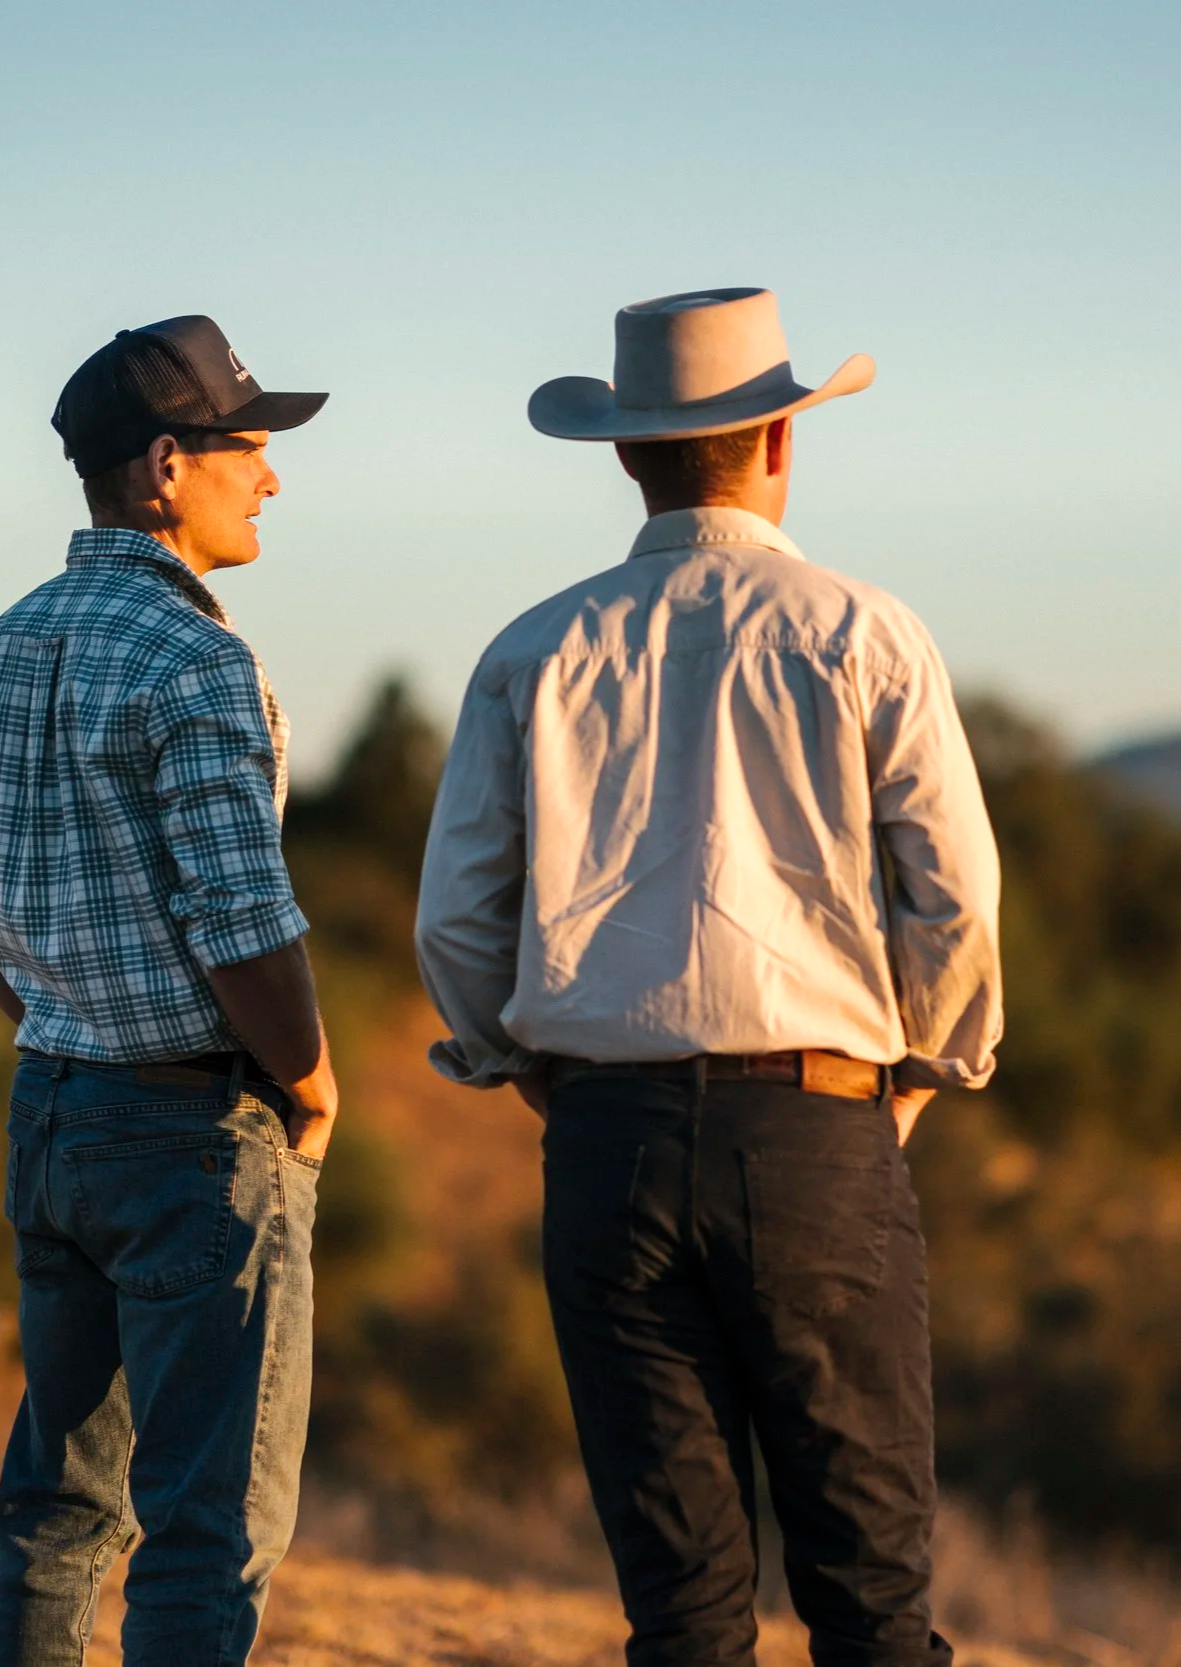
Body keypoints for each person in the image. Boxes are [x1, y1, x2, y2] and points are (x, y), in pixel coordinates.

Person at [416, 288, 1001, 1666]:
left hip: (606, 1145)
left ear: (624, 452)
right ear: (783, 438)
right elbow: (955, 898)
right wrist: (918, 1073)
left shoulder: (531, 650)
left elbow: (456, 922)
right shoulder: (866, 632)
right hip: (818, 1129)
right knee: (871, 1600)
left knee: (680, 1613)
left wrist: (535, 1075)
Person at [0, 314, 338, 1667]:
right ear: (168, 467)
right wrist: (310, 1081)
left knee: (56, 1508)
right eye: (248, 449)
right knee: (206, 1529)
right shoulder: (196, 659)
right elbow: (242, 919)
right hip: (189, 1136)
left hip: (53, 1112)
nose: (269, 478)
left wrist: (68, 1022)